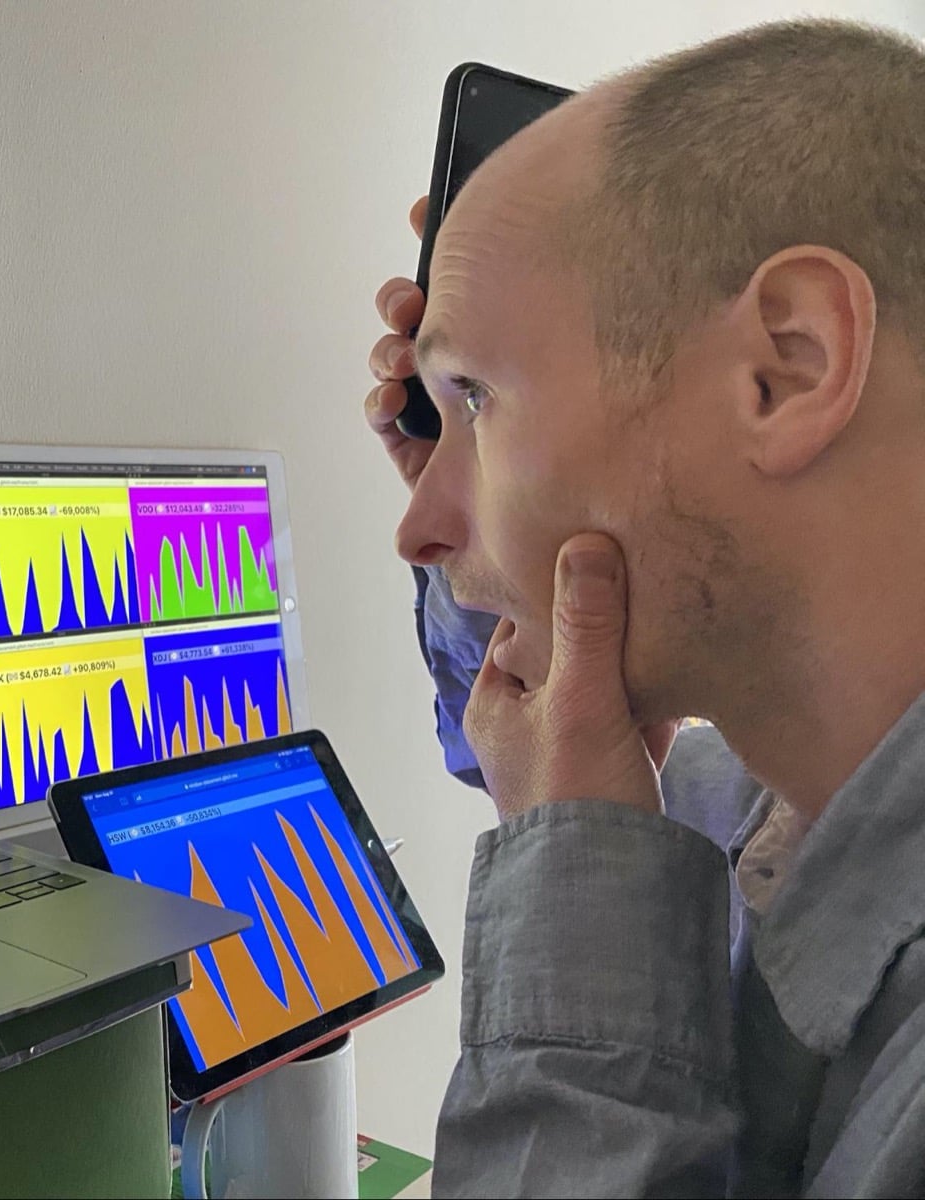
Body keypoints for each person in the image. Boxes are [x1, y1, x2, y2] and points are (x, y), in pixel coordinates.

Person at [361, 18, 925, 1198]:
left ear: (788, 365)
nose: (415, 531)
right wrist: (479, 488)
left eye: (476, 396)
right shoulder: (771, 802)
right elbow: (547, 750)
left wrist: (576, 920)